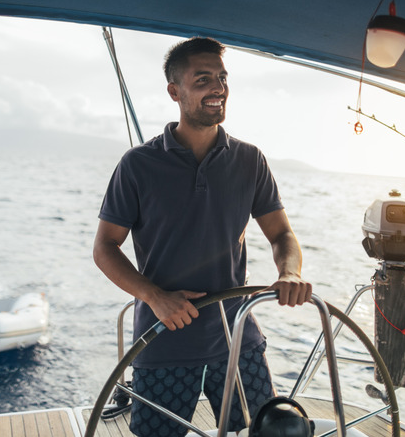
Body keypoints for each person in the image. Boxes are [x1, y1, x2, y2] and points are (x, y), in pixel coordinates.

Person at [93, 36, 312, 437]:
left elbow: (282, 234)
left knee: (265, 432)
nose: (218, 88)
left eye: (222, 78)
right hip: (164, 340)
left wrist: (291, 272)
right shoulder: (137, 165)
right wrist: (155, 297)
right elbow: (105, 247)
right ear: (174, 92)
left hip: (237, 336)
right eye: (203, 79)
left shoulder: (250, 160)